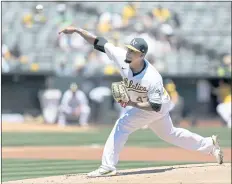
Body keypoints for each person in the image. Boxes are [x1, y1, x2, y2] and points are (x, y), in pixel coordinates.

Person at [59, 26, 223, 177]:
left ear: (142, 55)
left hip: (155, 106)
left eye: (133, 51)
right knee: (170, 134)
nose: (129, 53)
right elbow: (99, 42)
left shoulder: (152, 78)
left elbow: (155, 106)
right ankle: (209, 144)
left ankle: (108, 166)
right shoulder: (122, 57)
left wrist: (131, 103)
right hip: (151, 104)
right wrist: (78, 30)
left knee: (122, 124)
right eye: (129, 49)